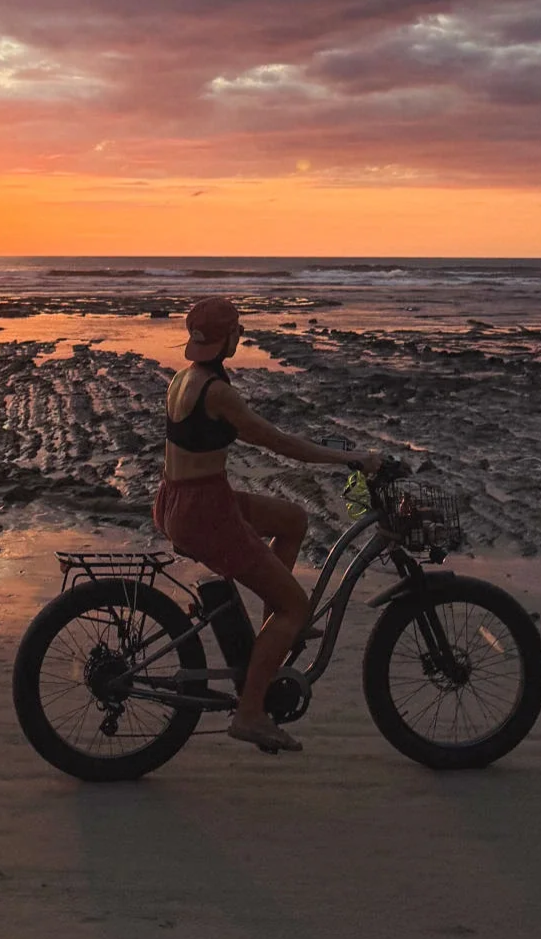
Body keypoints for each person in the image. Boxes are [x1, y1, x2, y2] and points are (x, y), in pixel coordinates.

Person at [153, 296, 382, 753]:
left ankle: (270, 640)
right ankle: (251, 713)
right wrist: (349, 458)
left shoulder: (183, 378)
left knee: (292, 520)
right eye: (237, 329)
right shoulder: (217, 392)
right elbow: (278, 443)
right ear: (228, 338)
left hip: (181, 498)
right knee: (295, 607)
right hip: (205, 512)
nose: (240, 335)